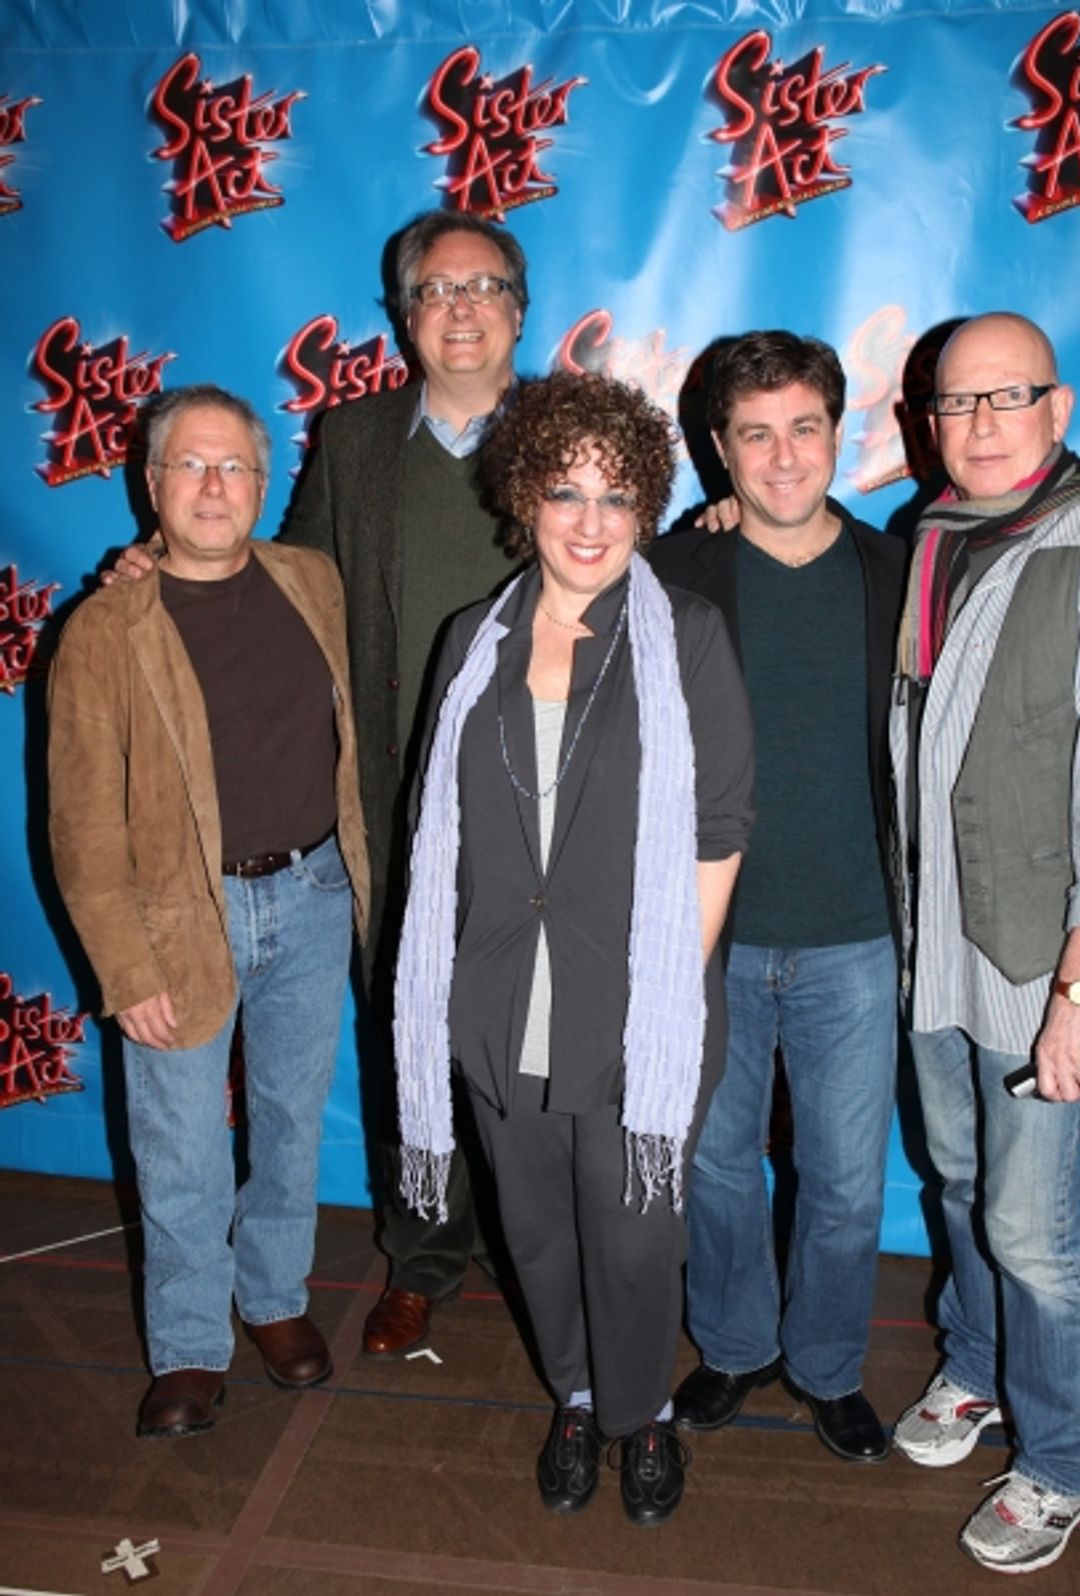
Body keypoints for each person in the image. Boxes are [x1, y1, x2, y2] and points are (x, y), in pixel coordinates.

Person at [115, 210, 527, 1359]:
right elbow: (280, 572)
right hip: (387, 808)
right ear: (404, 317)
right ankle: (424, 1253)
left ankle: (536, 1246)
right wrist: (161, 559)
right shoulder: (356, 439)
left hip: (538, 805)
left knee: (532, 1044)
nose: (459, 308)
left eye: (483, 286)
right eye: (435, 291)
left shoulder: (561, 433)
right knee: (411, 1048)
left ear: (517, 308)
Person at [393, 371, 754, 1525]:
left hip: (638, 1004)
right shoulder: (470, 643)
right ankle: (578, 1394)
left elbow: (721, 829)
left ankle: (641, 1417)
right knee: (537, 1233)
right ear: (523, 502)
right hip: (501, 996)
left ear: (647, 508)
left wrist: (668, 993)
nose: (590, 521)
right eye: (565, 493)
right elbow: (431, 831)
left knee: (636, 1239)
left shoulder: (685, 638)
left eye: (616, 495)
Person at [889, 313, 1080, 1573]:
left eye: (1009, 399)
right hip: (938, 948)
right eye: (959, 405)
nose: (983, 425)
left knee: (1033, 1224)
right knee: (959, 1185)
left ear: (1061, 412)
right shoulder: (928, 545)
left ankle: (1070, 1463)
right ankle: (977, 1365)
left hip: (1043, 964)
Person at [48, 385, 369, 1438]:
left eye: (234, 466)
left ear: (265, 484)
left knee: (287, 1122)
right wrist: (124, 966)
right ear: (151, 484)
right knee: (181, 1145)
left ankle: (275, 1299)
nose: (214, 486)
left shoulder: (311, 580)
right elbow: (83, 819)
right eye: (190, 465)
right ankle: (189, 1345)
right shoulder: (104, 629)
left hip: (317, 893)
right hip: (183, 915)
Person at [647, 332, 905, 1462]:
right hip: (708, 938)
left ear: (840, 434)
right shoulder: (676, 569)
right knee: (713, 1164)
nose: (784, 455)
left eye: (805, 427)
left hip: (856, 937)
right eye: (756, 433)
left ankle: (829, 1366)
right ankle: (738, 1345)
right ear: (720, 449)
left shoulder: (898, 573)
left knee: (846, 1184)